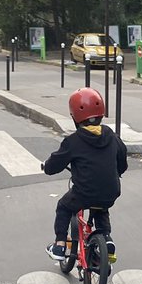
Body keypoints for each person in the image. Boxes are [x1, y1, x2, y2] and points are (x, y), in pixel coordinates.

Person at [42, 87, 128, 263]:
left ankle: (59, 245)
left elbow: (55, 164)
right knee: (101, 208)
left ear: (74, 117)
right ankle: (106, 238)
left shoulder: (73, 141)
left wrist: (47, 167)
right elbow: (123, 159)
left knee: (64, 207)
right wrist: (117, 172)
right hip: (111, 191)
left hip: (84, 193)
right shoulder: (111, 135)